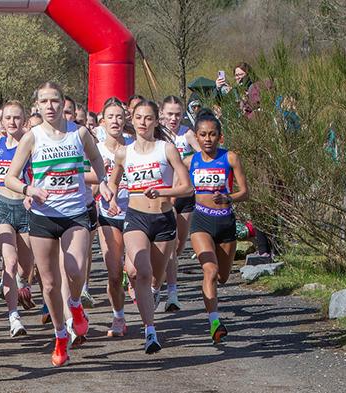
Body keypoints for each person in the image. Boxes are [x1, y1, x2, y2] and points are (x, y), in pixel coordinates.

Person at [4, 82, 113, 366]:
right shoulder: (32, 137)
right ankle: (60, 335)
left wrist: (104, 182)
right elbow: (10, 178)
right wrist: (30, 190)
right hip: (43, 216)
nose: (50, 106)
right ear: (37, 106)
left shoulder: (79, 133)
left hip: (76, 213)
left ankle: (75, 305)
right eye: (44, 101)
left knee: (75, 269)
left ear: (64, 104)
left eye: (55, 100)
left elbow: (97, 160)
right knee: (50, 284)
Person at [107, 99, 193, 353]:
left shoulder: (166, 149)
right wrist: (110, 197)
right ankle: (150, 331)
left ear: (156, 121)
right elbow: (113, 182)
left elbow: (187, 187)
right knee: (140, 272)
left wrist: (163, 191)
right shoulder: (124, 152)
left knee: (155, 277)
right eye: (139, 118)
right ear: (131, 120)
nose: (143, 122)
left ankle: (154, 293)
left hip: (164, 219)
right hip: (136, 218)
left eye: (148, 118)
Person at [188, 113, 249, 344]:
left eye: (212, 134)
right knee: (210, 271)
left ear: (220, 137)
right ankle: (214, 321)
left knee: (222, 277)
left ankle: (212, 306)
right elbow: (178, 185)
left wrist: (229, 197)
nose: (207, 139)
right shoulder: (190, 161)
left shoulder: (231, 158)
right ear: (196, 136)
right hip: (201, 221)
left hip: (225, 222)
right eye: (203, 134)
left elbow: (245, 192)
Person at [0, 100, 37, 338]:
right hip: (2, 207)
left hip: (26, 208)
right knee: (9, 262)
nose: (11, 122)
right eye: (7, 118)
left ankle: (24, 284)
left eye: (16, 118)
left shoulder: (31, 143)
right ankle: (13, 317)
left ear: (25, 120)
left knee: (25, 267)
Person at [95, 98, 132, 337]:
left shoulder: (134, 146)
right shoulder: (96, 149)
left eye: (119, 116)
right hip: (107, 215)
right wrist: (99, 180)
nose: (116, 121)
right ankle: (118, 317)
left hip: (135, 213)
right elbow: (85, 180)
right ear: (103, 121)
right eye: (111, 117)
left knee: (135, 268)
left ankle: (148, 288)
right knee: (114, 273)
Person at [159, 96, 198, 312]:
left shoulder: (187, 134)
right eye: (170, 114)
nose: (173, 118)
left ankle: (165, 273)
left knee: (179, 245)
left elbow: (203, 156)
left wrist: (187, 161)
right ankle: (171, 292)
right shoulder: (158, 135)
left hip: (185, 193)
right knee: (170, 243)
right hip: (164, 194)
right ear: (162, 114)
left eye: (177, 114)